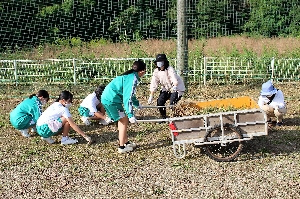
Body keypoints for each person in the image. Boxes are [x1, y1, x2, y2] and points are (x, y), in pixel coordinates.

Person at [101, 59, 146, 153]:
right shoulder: (132, 79)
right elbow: (127, 98)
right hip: (111, 100)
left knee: (122, 120)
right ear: (142, 71)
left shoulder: (130, 76)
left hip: (108, 98)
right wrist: (130, 115)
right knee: (124, 120)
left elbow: (130, 95)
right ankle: (121, 147)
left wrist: (137, 104)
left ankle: (126, 143)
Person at [148, 54, 186, 119]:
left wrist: (175, 86)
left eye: (161, 62)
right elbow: (154, 83)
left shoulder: (170, 69)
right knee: (160, 102)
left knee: (172, 103)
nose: (160, 65)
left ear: (165, 62)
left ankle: (175, 118)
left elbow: (174, 78)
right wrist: (151, 95)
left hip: (176, 88)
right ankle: (163, 117)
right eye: (158, 63)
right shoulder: (156, 71)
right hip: (166, 89)